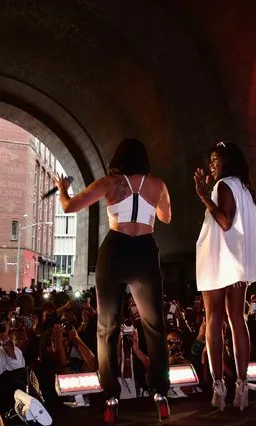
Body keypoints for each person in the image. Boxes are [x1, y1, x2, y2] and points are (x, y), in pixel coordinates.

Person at [52, 138, 172, 423]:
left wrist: (62, 189)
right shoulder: (158, 184)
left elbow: (69, 207)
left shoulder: (109, 183)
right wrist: (148, 204)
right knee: (154, 326)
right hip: (144, 250)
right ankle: (160, 392)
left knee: (107, 327)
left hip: (115, 250)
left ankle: (110, 395)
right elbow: (166, 217)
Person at [193, 141, 256, 411]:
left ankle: (219, 388)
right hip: (239, 263)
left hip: (218, 260)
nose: (211, 164)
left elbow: (225, 221)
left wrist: (203, 195)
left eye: (215, 159)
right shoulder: (248, 192)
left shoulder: (223, 186)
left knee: (214, 321)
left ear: (227, 161)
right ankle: (242, 388)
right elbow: (254, 231)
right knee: (237, 321)